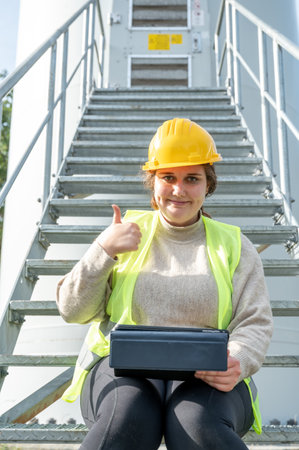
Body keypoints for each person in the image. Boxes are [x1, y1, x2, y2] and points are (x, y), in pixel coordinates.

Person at [56, 118, 273, 450]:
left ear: (207, 184)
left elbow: (254, 321)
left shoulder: (233, 245)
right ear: (152, 183)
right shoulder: (124, 234)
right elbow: (72, 311)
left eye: (192, 179)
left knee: (195, 422)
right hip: (121, 372)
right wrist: (103, 250)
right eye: (168, 177)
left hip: (209, 376)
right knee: (126, 418)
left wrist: (239, 360)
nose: (178, 189)